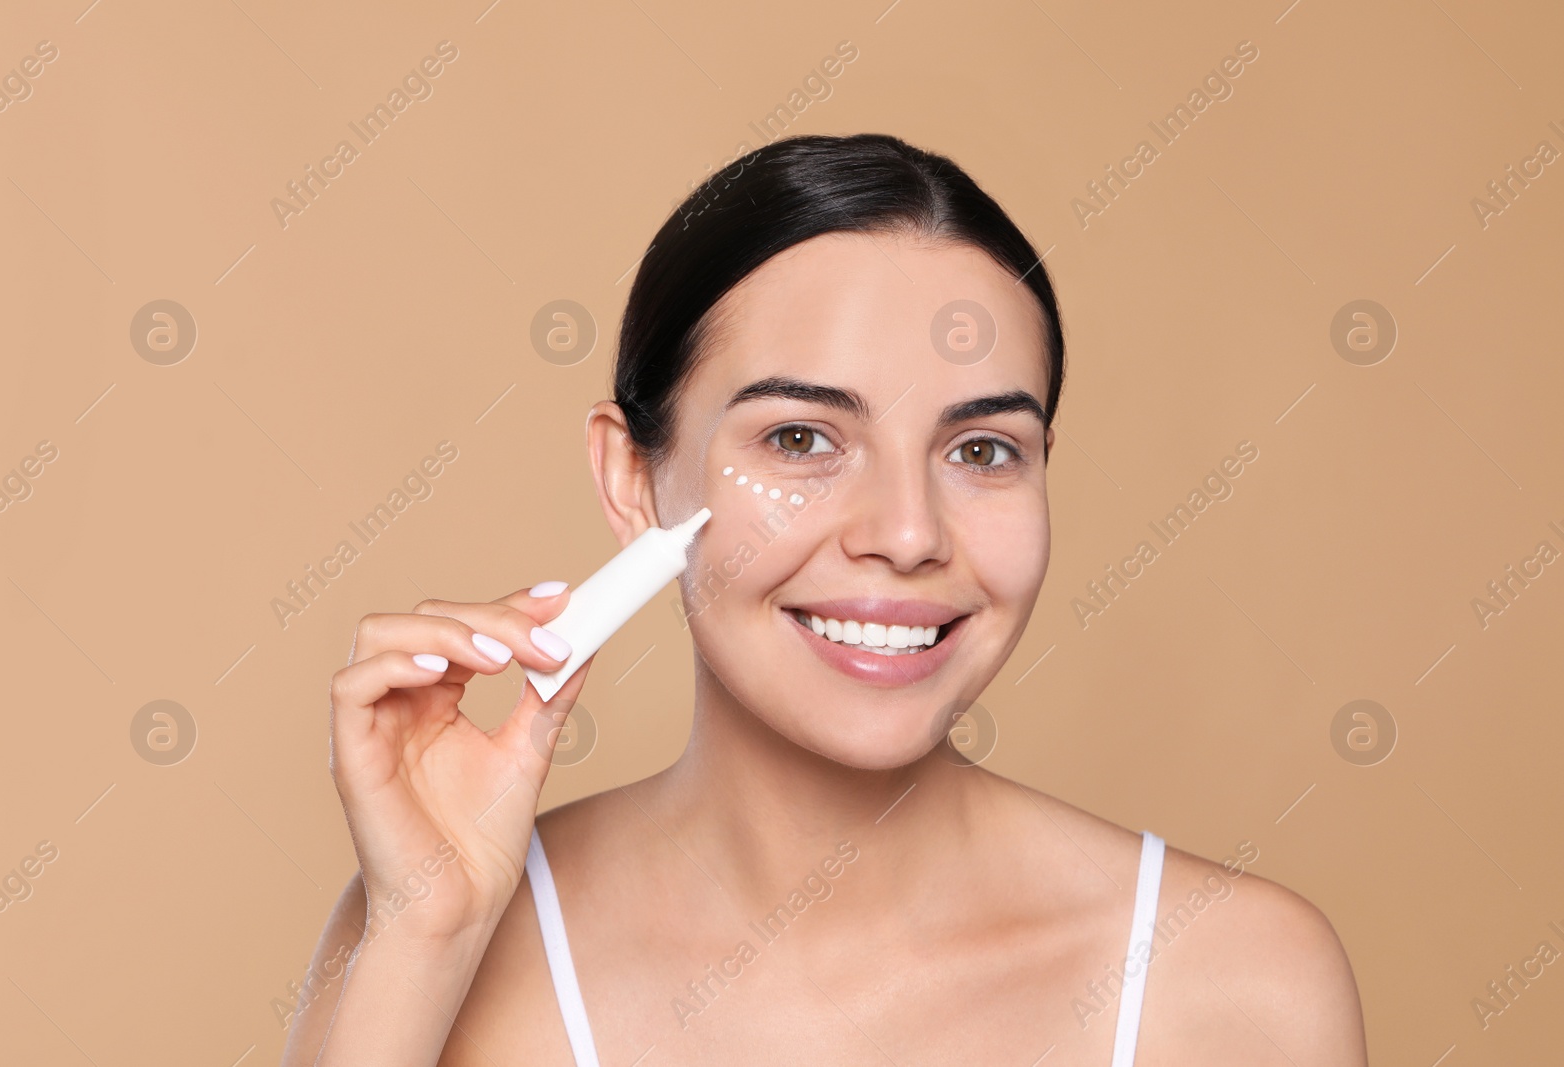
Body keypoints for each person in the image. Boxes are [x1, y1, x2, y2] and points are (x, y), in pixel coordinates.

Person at [283, 133, 1367, 1065]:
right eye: (800, 439)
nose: (905, 534)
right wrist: (421, 939)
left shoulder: (1234, 979)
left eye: (983, 448)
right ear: (631, 478)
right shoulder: (442, 939)